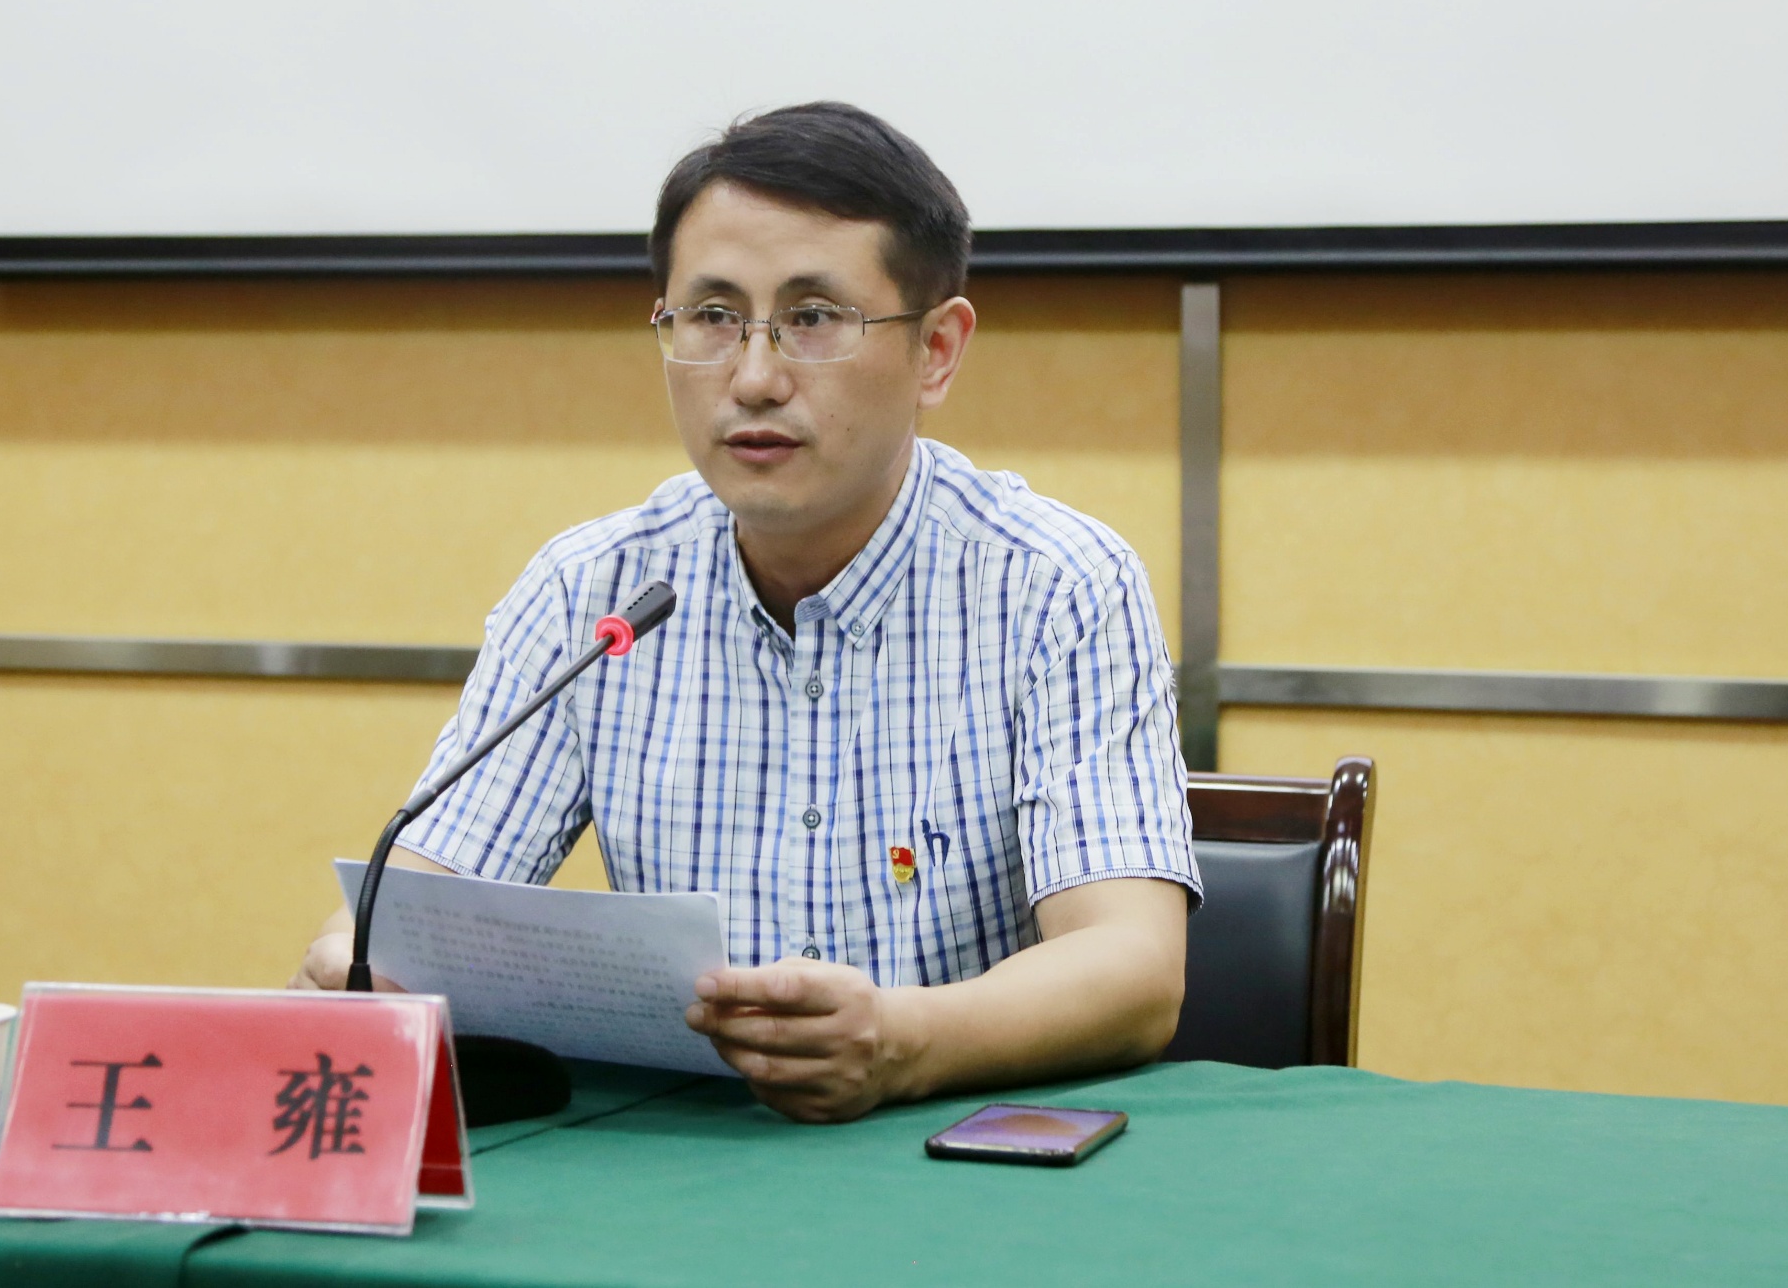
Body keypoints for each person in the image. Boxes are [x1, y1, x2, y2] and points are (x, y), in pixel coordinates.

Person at [293, 102, 1201, 1123]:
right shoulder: (594, 590)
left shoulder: (1055, 584)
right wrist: (354, 968)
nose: (755, 377)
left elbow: (1131, 966)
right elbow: (408, 910)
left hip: (958, 1152)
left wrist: (900, 1041)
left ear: (936, 350)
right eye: (713, 317)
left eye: (813, 318)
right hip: (683, 1159)